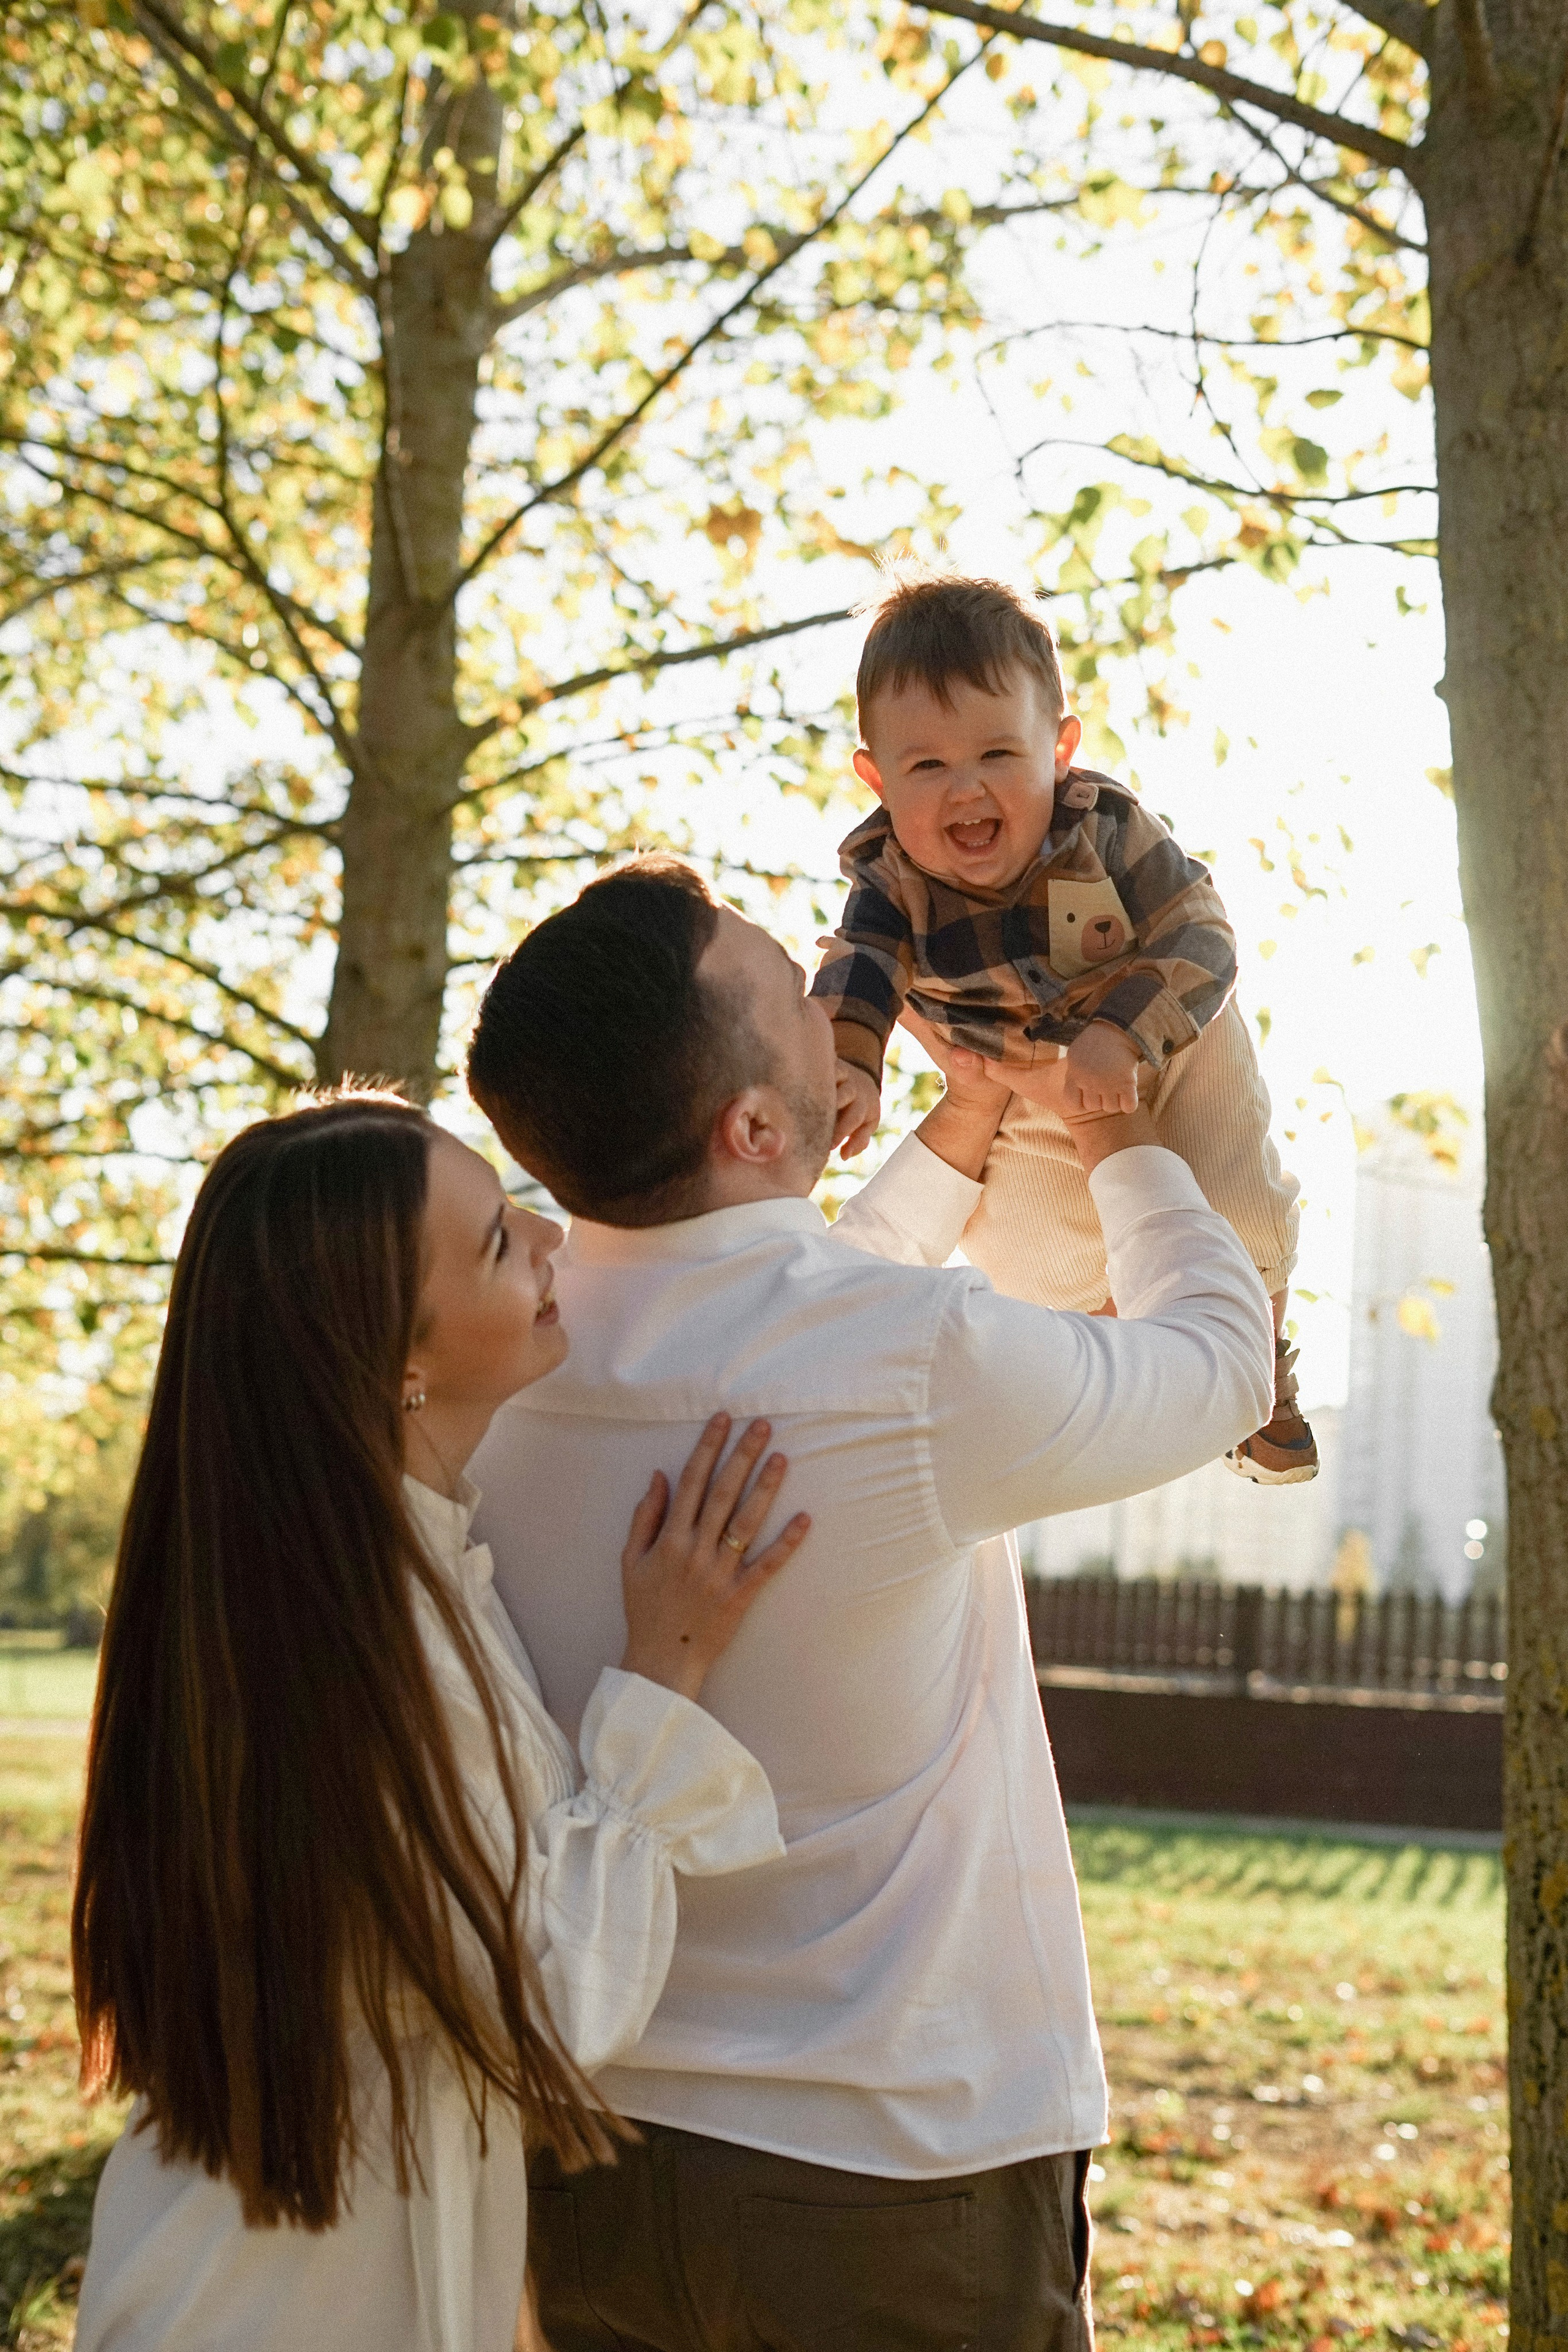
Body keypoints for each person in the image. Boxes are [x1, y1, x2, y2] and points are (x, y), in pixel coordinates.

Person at [464, 856, 1276, 2352]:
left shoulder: (499, 1366)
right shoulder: (910, 1360)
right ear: (756, 1125)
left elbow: (785, 1302)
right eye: (800, 996)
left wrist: (953, 1143)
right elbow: (1220, 1362)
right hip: (898, 2176)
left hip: (589, 2162)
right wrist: (1127, 1140)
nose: (849, 1001)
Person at [70, 1089, 816, 2352]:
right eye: (491, 1241)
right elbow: (549, 2008)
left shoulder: (351, 1579)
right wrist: (662, 1674)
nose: (548, 1239)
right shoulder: (366, 1640)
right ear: (394, 1359)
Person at [812, 570, 1316, 1484]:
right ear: (878, 780)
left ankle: (1260, 1350)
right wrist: (850, 1064)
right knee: (1026, 1251)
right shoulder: (890, 881)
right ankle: (1109, 1347)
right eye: (927, 766)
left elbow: (1203, 932)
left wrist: (1122, 1033)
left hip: (1159, 1037)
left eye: (999, 755)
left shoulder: (1109, 830)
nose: (966, 790)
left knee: (1231, 1179)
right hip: (1015, 1076)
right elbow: (859, 972)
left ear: (1060, 750)